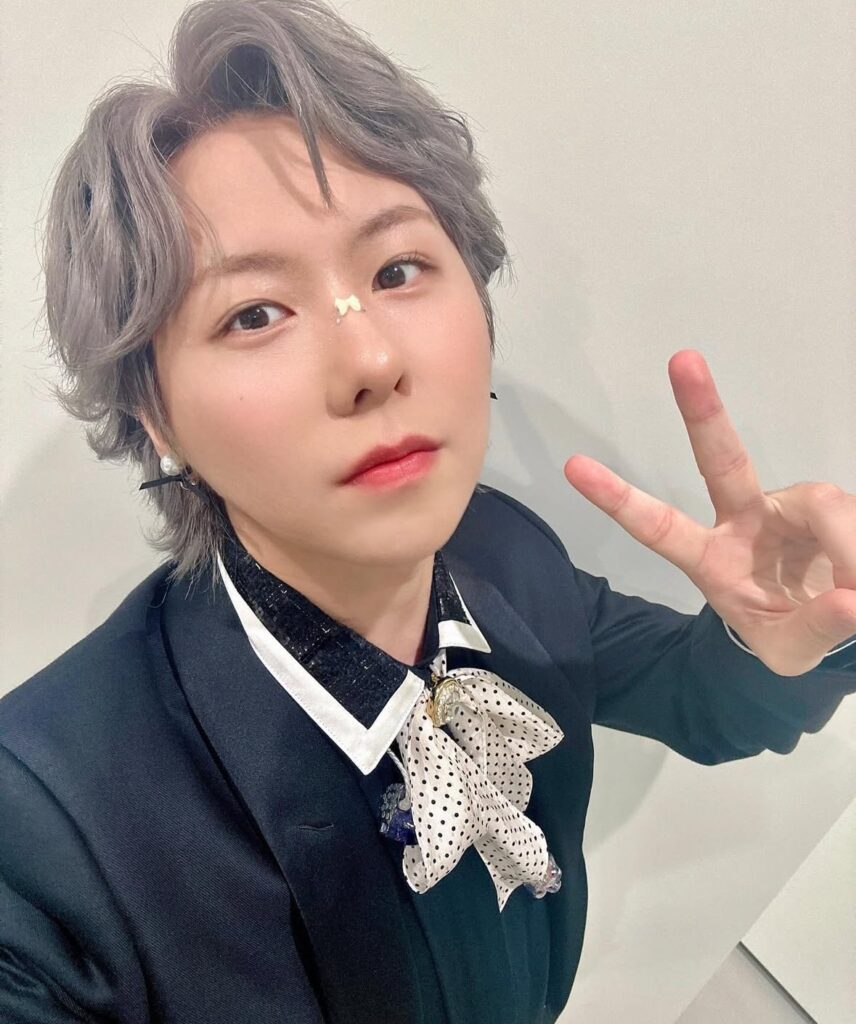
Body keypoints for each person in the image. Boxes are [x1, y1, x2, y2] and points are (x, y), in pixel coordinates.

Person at [2, 1, 855, 1021]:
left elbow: (703, 700)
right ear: (156, 417)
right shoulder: (43, 828)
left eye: (397, 269)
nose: (371, 358)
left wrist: (782, 627)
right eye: (254, 313)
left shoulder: (508, 554)